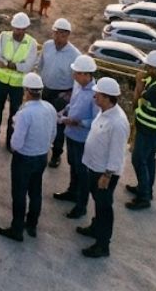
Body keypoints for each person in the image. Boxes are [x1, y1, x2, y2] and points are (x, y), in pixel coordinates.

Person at [0, 72, 55, 241]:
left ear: (27, 92)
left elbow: (16, 143)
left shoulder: (24, 113)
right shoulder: (50, 109)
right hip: (42, 157)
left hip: (24, 159)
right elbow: (53, 133)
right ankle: (32, 225)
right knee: (35, 191)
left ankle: (16, 229)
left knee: (19, 194)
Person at [79, 77, 131, 258]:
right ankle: (95, 228)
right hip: (94, 167)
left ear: (108, 98)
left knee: (104, 207)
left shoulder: (118, 123)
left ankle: (102, 245)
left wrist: (107, 175)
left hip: (104, 173)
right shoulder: (105, 112)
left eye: (98, 95)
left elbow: (117, 153)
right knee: (98, 202)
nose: (95, 97)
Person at [128, 49, 156, 210]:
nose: (145, 70)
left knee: (138, 159)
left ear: (155, 69)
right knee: (149, 159)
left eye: (148, 67)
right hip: (155, 128)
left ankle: (144, 197)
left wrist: (139, 84)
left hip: (149, 128)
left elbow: (137, 101)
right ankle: (145, 187)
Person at [54, 55, 99, 220]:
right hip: (71, 133)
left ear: (87, 75)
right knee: (72, 164)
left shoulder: (95, 95)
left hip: (82, 138)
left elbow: (95, 120)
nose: (74, 76)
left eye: (77, 73)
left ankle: (81, 206)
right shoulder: (78, 85)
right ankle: (72, 192)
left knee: (83, 173)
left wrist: (79, 122)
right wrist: (65, 112)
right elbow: (73, 103)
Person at [37, 18, 81, 167]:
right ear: (53, 32)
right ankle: (41, 147)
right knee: (43, 120)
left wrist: (69, 96)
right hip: (45, 90)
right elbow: (40, 65)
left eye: (63, 34)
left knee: (59, 125)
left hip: (62, 94)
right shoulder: (47, 46)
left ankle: (56, 154)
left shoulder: (75, 55)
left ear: (68, 35)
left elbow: (78, 79)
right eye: (56, 33)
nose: (59, 37)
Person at [0, 12, 39, 149]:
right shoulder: (3, 37)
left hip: (18, 85)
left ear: (26, 29)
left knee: (14, 115)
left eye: (22, 29)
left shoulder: (31, 43)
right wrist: (17, 65)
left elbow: (27, 67)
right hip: (1, 81)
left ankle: (10, 142)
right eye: (17, 29)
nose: (19, 32)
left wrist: (7, 64)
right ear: (12, 27)